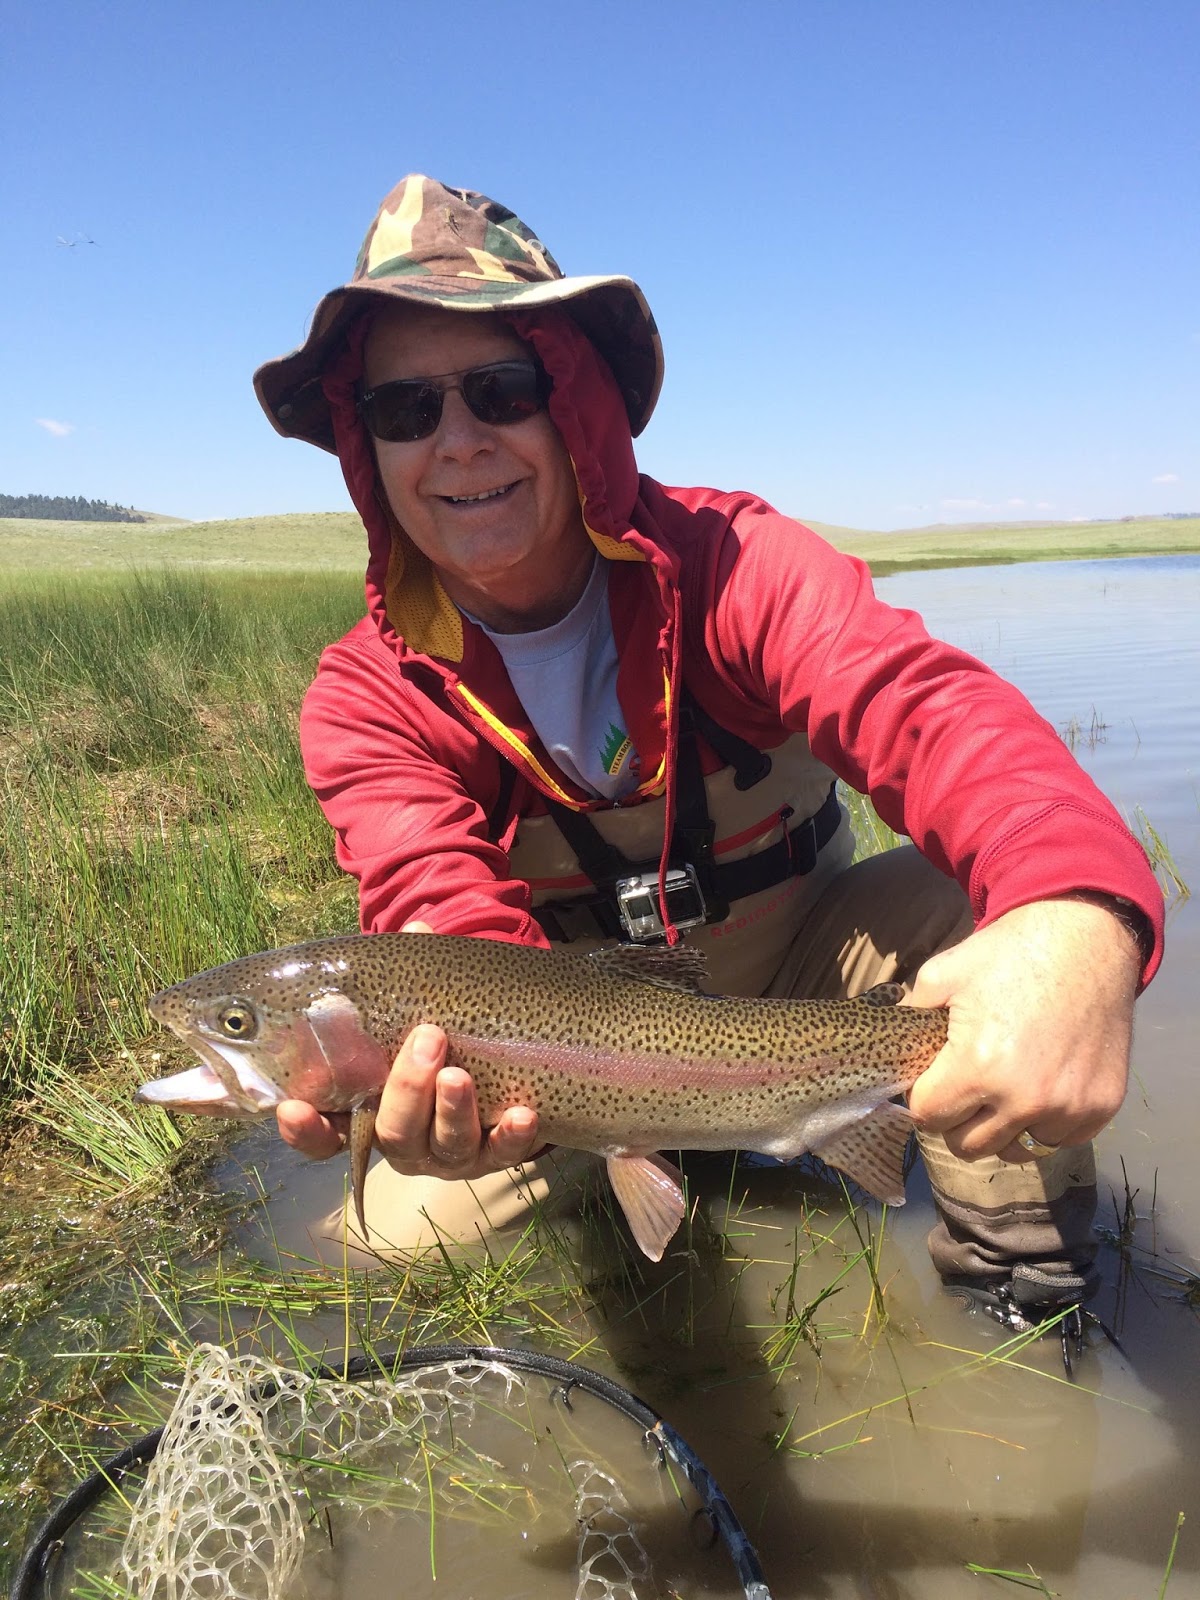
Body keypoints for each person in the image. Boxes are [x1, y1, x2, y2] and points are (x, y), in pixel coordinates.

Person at [252, 175, 1162, 1333]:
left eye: (502, 388)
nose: (457, 440)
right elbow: (443, 923)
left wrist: (1082, 908)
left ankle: (1025, 1311)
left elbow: (935, 715)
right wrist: (460, 1084)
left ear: (573, 400)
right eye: (403, 410)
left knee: (990, 918)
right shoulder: (368, 695)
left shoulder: (734, 565)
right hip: (555, 1070)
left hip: (807, 985)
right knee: (385, 1251)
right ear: (360, 443)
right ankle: (647, 1192)